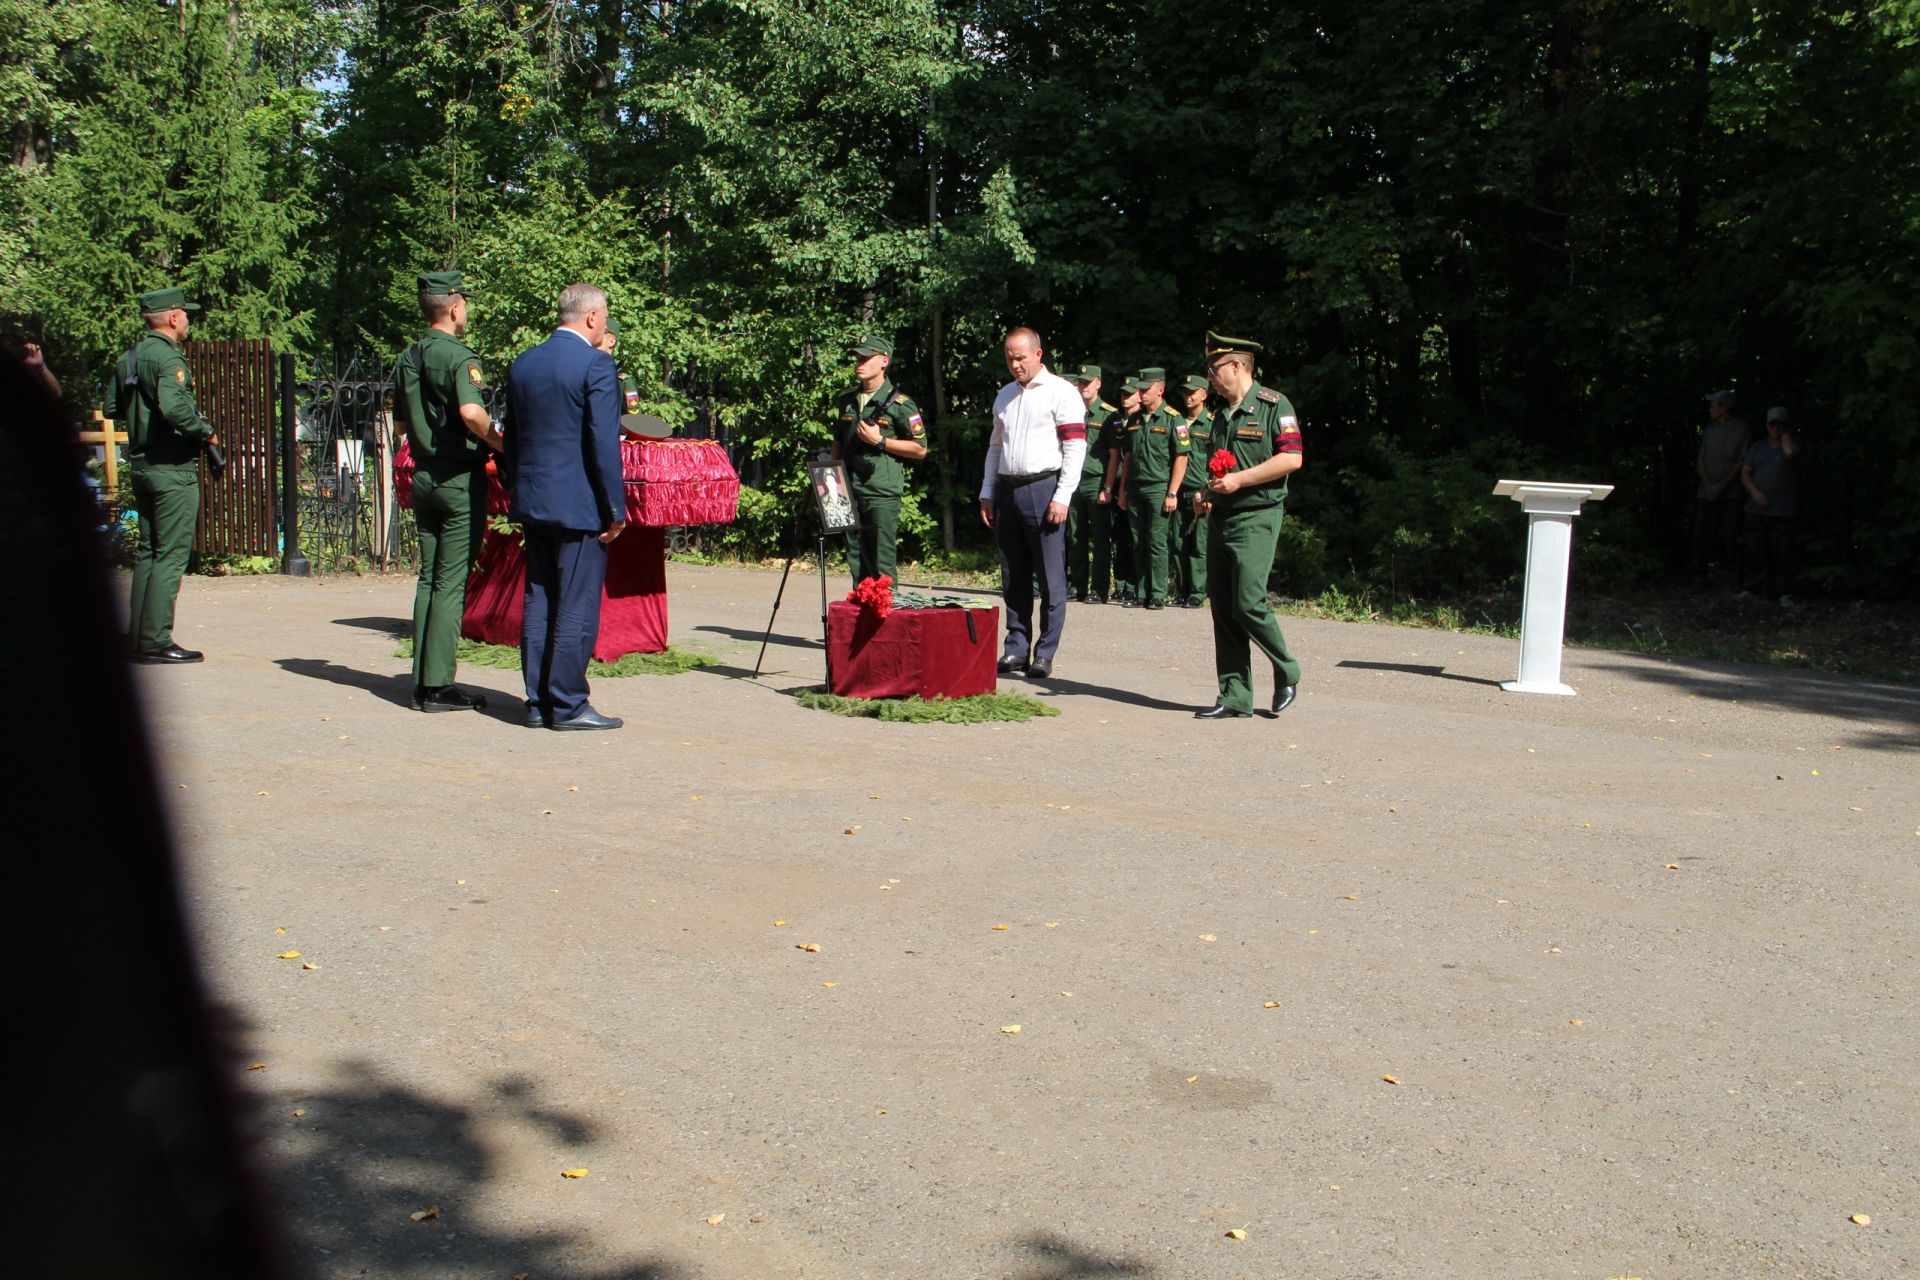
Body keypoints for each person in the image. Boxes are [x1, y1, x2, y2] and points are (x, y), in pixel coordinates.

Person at [504, 283, 626, 730]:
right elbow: (602, 443)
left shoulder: (525, 363)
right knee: (575, 602)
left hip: (533, 501)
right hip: (579, 506)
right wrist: (616, 506)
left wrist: (522, 488)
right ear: (592, 317)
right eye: (606, 315)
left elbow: (511, 438)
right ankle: (569, 703)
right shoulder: (596, 363)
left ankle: (537, 702)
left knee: (539, 599)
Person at [392, 270, 502, 712]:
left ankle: (421, 680)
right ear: (456, 307)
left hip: (422, 475)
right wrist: (498, 440)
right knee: (451, 582)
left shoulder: (409, 357)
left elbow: (400, 425)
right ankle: (438, 686)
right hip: (458, 480)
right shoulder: (458, 355)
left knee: (428, 578)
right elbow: (472, 412)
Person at [1195, 331, 1304, 719]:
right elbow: (1222, 465)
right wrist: (1206, 493)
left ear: (1237, 366)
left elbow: (1291, 459)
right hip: (1221, 516)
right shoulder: (1220, 415)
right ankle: (1235, 695)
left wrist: (1240, 481)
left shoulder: (1274, 405)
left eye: (1214, 368)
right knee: (1223, 608)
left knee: (1247, 603)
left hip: (1257, 516)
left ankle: (1288, 669)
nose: (1210, 376)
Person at [107, 286, 217, 664]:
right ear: (172, 317)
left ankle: (138, 635)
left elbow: (111, 408)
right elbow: (174, 406)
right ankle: (155, 641)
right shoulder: (169, 358)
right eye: (185, 313)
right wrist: (205, 432)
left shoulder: (131, 358)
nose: (188, 319)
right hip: (172, 470)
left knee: (148, 553)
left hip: (141, 465)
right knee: (171, 555)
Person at [979, 327, 1086, 679]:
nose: (1015, 364)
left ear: (1039, 354)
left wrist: (1062, 495)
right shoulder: (1005, 395)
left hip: (1044, 488)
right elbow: (996, 447)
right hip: (1008, 488)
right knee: (1013, 574)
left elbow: (1074, 448)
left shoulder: (1062, 392)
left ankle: (1044, 653)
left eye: (1021, 357)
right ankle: (1016, 648)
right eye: (1009, 357)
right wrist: (987, 492)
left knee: (1050, 576)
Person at [831, 333, 926, 582]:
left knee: (882, 561)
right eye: (857, 358)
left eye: (865, 358)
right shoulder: (847, 400)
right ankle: (861, 612)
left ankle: (887, 614)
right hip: (848, 489)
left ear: (884, 361)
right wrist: (832, 483)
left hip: (880, 491)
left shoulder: (901, 404)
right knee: (855, 557)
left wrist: (880, 441)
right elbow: (838, 441)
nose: (859, 363)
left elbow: (920, 449)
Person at [1117, 367, 1188, 609]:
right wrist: (1123, 488)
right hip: (1135, 488)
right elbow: (1127, 456)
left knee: (1156, 541)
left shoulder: (1173, 418)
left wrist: (1172, 492)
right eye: (1140, 389)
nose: (1142, 393)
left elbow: (1181, 457)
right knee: (1137, 541)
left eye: (1146, 389)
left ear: (1160, 389)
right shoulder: (1134, 420)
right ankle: (1141, 592)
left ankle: (1157, 593)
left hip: (1159, 488)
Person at [1064, 365, 1119, 602]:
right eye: (1081, 382)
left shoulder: (1109, 414)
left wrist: (1108, 487)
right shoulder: (1070, 411)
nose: (1084, 387)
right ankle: (1078, 586)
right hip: (1073, 482)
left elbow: (1115, 454)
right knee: (1075, 537)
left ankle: (1099, 588)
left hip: (1096, 482)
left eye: (1088, 382)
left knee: (1100, 539)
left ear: (1098, 383)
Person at [1739, 406, 1802, 605]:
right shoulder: (1757, 447)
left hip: (1782, 511)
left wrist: (1785, 437)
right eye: (1771, 423)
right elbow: (1745, 473)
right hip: (1756, 509)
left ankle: (1785, 594)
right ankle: (1752, 589)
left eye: (1779, 423)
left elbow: (1791, 454)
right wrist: (1755, 493)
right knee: (1755, 552)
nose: (1775, 427)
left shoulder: (1791, 446)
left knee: (1783, 554)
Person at [1689, 390, 1749, 588]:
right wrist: (1708, 485)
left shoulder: (1741, 429)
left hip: (1731, 494)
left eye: (1713, 405)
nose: (1710, 409)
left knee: (1731, 535)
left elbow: (1741, 461)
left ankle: (1735, 579)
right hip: (1705, 492)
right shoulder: (1710, 429)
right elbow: (1700, 459)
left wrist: (1721, 486)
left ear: (1724, 408)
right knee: (1702, 534)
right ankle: (1699, 576)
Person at [1171, 374, 1212, 606]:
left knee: (1199, 543)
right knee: (1177, 543)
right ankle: (1181, 590)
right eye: (1185, 392)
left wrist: (1210, 492)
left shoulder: (1213, 422)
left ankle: (1197, 592)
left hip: (1200, 490)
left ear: (1204, 395)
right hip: (1179, 489)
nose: (1188, 396)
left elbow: (1219, 460)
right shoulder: (1178, 421)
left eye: (1192, 392)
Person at [1105, 379, 1143, 603]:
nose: (1125, 398)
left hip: (1136, 487)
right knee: (1118, 539)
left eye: (1130, 394)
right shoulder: (1116, 420)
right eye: (1123, 394)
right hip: (1118, 486)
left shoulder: (1141, 421)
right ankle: (1120, 585)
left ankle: (1136, 585)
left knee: (1136, 539)